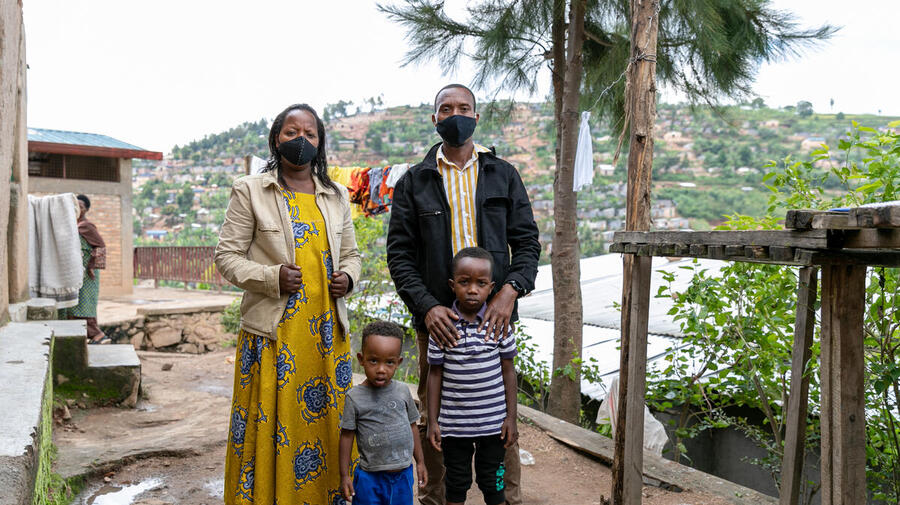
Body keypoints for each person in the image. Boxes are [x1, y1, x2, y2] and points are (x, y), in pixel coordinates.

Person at [387, 83, 540, 505]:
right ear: (434, 118)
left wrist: (509, 291)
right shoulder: (415, 181)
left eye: (463, 107)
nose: (455, 115)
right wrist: (428, 307)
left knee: (500, 414)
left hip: (495, 321)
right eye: (446, 108)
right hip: (439, 323)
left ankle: (505, 499)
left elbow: (527, 244)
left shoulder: (503, 174)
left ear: (476, 115)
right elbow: (400, 255)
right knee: (434, 415)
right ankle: (436, 499)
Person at [215, 103, 361, 505]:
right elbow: (226, 257)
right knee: (272, 423)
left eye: (310, 133)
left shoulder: (336, 195)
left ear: (320, 141)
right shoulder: (250, 190)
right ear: (275, 139)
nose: (301, 140)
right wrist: (271, 277)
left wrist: (348, 278)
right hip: (273, 334)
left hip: (326, 335)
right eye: (292, 132)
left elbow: (352, 255)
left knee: (327, 423)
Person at [426, 247, 518, 505]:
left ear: (491, 287)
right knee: (456, 484)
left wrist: (511, 418)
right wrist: (433, 421)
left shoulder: (499, 324)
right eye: (464, 282)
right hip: (454, 427)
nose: (473, 290)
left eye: (481, 283)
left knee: (494, 483)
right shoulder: (443, 327)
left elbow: (508, 371)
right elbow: (434, 374)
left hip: (494, 426)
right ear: (452, 285)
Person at [339, 320, 427, 504]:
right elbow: (346, 436)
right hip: (369, 479)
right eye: (373, 361)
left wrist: (420, 462)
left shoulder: (403, 391)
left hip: (403, 477)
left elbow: (412, 427)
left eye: (389, 362)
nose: (381, 369)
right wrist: (344, 475)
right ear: (361, 359)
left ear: (398, 363)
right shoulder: (354, 397)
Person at [59, 194, 108, 344]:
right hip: (78, 272)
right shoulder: (73, 225)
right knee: (75, 304)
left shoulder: (86, 226)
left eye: (81, 207)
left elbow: (101, 246)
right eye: (75, 206)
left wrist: (92, 266)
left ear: (86, 210)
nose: (77, 209)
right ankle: (85, 336)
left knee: (84, 304)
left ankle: (97, 334)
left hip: (87, 273)